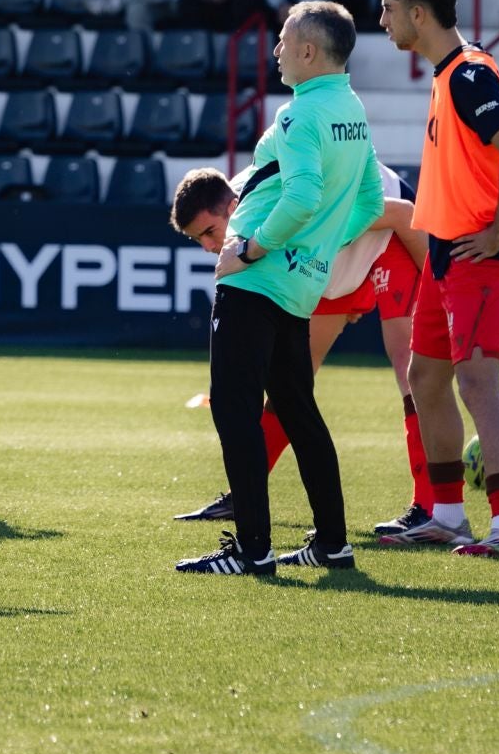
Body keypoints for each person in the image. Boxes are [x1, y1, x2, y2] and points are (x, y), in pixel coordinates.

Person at [176, 1, 382, 576]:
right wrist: (316, 248)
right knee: (297, 412)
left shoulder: (298, 115)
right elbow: (369, 202)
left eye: (284, 41)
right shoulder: (353, 111)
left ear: (308, 51)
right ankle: (332, 544)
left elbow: (302, 195)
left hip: (257, 280)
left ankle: (253, 550)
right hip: (299, 286)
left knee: (235, 412)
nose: (276, 51)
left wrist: (250, 248)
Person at [169, 163, 436, 538]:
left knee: (410, 367)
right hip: (328, 253)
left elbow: (403, 214)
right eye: (199, 239)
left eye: (210, 232)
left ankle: (430, 506)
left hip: (392, 233)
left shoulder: (292, 200)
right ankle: (242, 495)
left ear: (232, 208)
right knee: (292, 377)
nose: (209, 247)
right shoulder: (246, 206)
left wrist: (441, 290)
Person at [377, 0, 499, 558]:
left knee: (477, 384)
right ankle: (447, 517)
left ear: (419, 13)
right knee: (424, 379)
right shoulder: (448, 75)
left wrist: (497, 231)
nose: (383, 19)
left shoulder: (469, 74)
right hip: (444, 254)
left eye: (389, 7)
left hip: (478, 256)